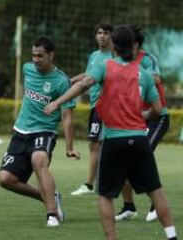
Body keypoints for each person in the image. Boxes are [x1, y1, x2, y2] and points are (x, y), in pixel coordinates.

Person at [44, 26, 177, 240]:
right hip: (139, 139)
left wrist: (57, 102)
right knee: (156, 190)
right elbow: (158, 110)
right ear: (132, 46)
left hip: (115, 140)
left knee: (105, 196)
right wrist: (141, 115)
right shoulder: (142, 73)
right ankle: (172, 236)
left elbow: (85, 84)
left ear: (114, 45)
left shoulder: (105, 66)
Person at [0, 36, 80, 227]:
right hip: (20, 131)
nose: (35, 59)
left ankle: (51, 214)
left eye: (40, 56)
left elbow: (67, 117)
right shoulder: (27, 69)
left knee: (39, 160)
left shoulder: (61, 82)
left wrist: (69, 147)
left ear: (51, 55)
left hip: (45, 131)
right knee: (5, 179)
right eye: (33, 55)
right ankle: (51, 196)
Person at [115, 25, 170, 222]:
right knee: (122, 157)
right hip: (134, 119)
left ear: (135, 44)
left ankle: (156, 202)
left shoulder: (147, 59)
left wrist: (134, 75)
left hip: (157, 117)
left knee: (141, 155)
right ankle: (128, 207)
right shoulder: (120, 60)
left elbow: (156, 78)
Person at [70, 22, 114, 196]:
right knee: (95, 144)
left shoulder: (115, 56)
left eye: (105, 33)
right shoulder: (94, 56)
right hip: (95, 105)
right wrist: (70, 80)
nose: (101, 36)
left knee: (100, 144)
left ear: (111, 36)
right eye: (98, 33)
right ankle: (93, 183)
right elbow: (88, 76)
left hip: (107, 106)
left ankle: (91, 183)